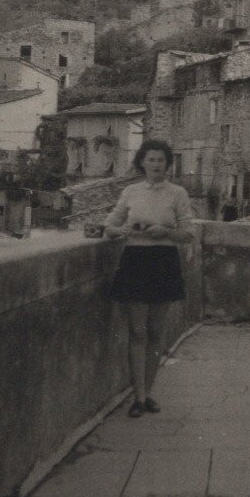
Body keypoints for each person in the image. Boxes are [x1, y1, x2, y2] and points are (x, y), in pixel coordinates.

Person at [104, 139, 193, 418]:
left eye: (161, 160)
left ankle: (148, 392)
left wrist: (165, 232)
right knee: (137, 332)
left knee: (155, 332)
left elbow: (188, 233)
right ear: (142, 162)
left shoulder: (177, 193)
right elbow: (109, 226)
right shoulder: (130, 192)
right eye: (151, 159)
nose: (156, 165)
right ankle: (139, 397)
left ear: (168, 164)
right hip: (135, 261)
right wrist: (123, 230)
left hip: (164, 261)